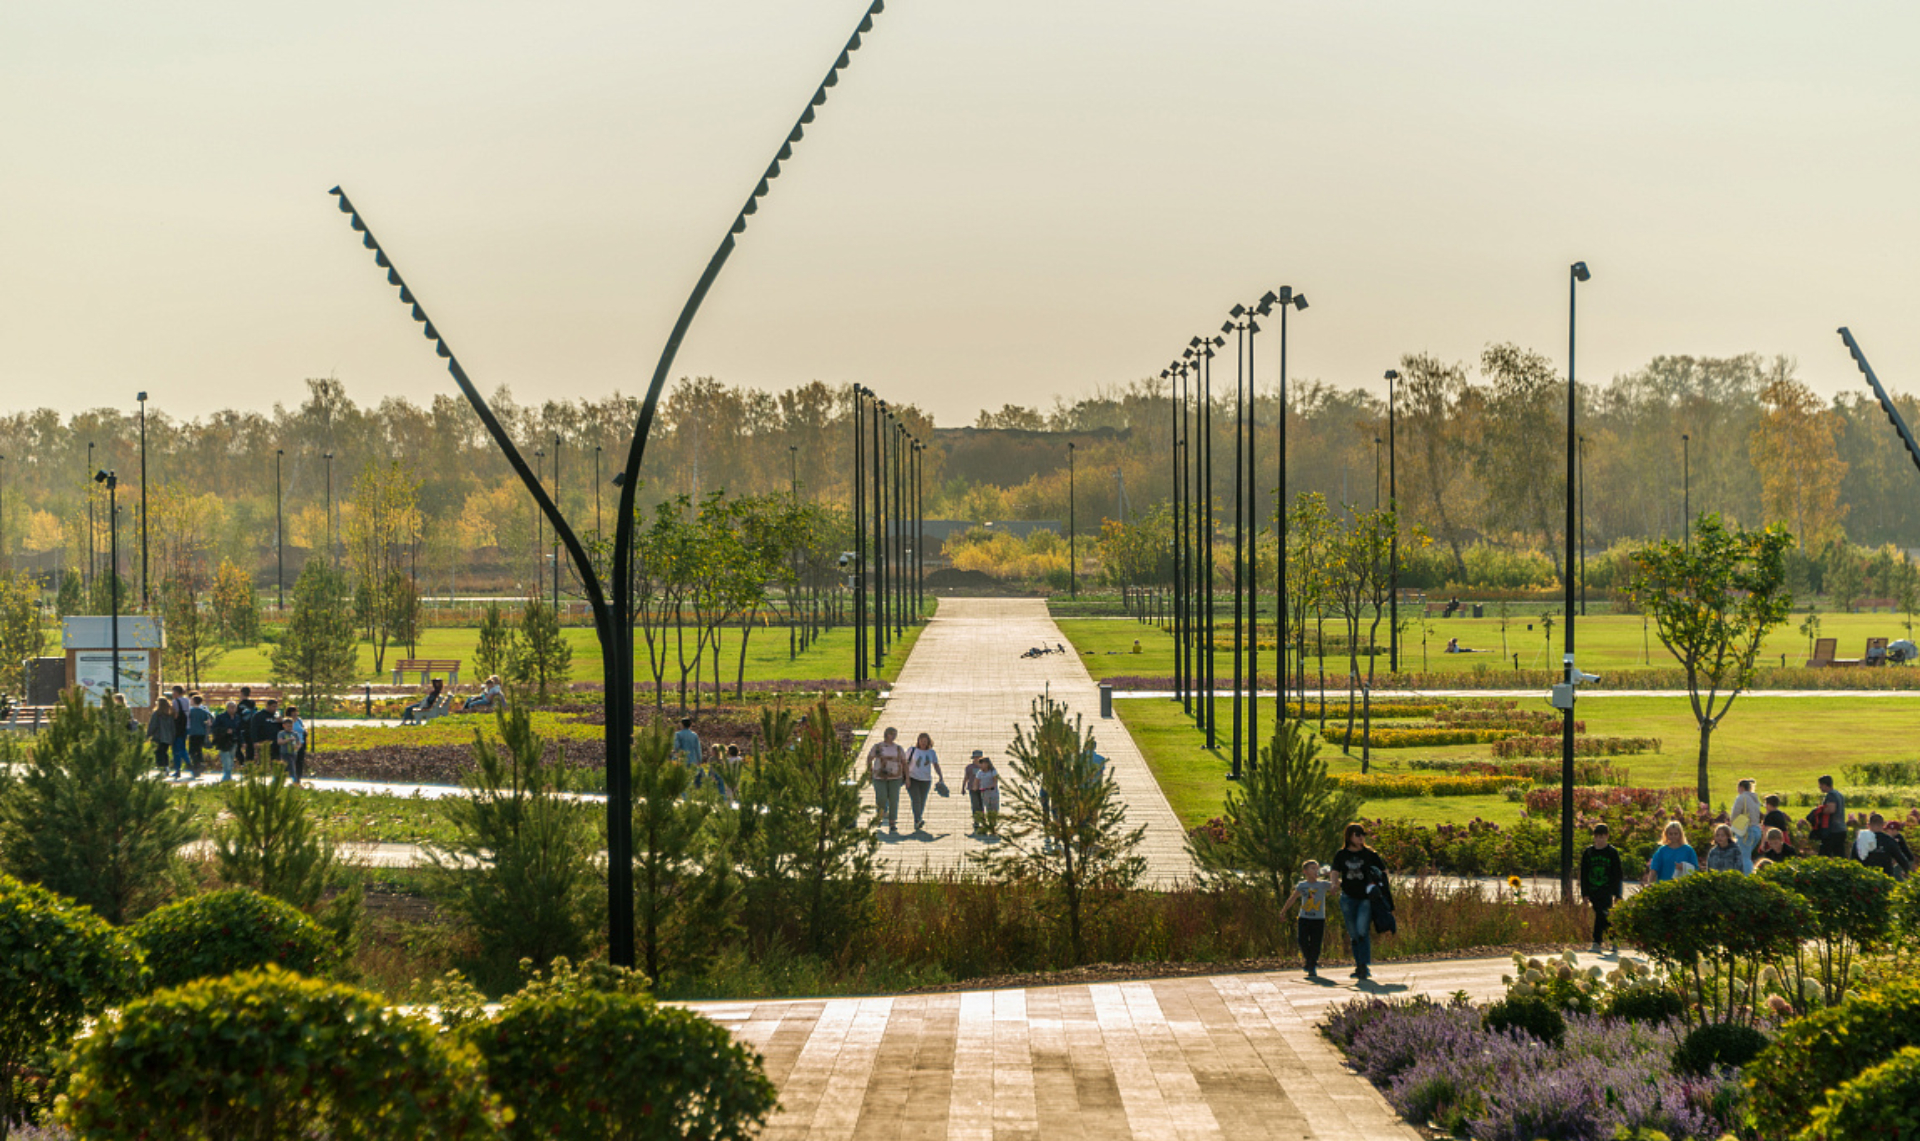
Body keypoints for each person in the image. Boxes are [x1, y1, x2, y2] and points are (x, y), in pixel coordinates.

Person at [1328, 823, 1387, 982]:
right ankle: (1359, 965)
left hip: (1366, 898)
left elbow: (1384, 871)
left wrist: (1377, 883)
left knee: (1362, 931)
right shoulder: (1341, 854)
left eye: (1363, 834)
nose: (1361, 837)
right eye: (1357, 834)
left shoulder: (1370, 854)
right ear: (1349, 837)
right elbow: (1335, 871)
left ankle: (1364, 965)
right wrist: (1334, 883)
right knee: (1353, 934)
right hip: (1347, 897)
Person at [1276, 859, 1334, 980]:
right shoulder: (1302, 885)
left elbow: (1338, 884)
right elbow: (1292, 898)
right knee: (1302, 941)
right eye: (1312, 868)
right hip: (1304, 917)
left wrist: (1332, 876)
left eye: (1317, 868)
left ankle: (1311, 966)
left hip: (1318, 919)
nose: (1315, 871)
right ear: (1305, 871)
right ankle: (1309, 960)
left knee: (1316, 943)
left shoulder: (1323, 884)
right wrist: (1283, 911)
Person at [1579, 823, 1625, 954]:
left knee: (1602, 913)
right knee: (1603, 915)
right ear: (1594, 837)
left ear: (1607, 836)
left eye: (1602, 836)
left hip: (1607, 889)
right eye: (1597, 837)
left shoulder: (1612, 852)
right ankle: (1613, 937)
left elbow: (1618, 874)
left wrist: (1618, 894)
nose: (1600, 839)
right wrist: (1585, 893)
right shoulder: (1588, 852)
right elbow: (1583, 874)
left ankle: (1597, 941)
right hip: (1593, 889)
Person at [865, 726, 909, 834]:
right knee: (881, 797)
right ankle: (879, 816)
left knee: (894, 799)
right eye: (891, 733)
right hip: (879, 776)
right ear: (886, 734)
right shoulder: (878, 747)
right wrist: (869, 770)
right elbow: (869, 758)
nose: (893, 736)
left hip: (895, 777)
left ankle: (892, 822)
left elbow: (904, 762)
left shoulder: (898, 748)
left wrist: (907, 778)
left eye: (895, 734)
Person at [904, 732, 944, 834]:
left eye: (925, 741)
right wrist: (907, 778)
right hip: (913, 778)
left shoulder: (931, 752)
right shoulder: (912, 750)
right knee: (916, 799)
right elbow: (904, 763)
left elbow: (935, 764)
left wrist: (940, 776)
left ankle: (918, 818)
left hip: (926, 780)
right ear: (918, 741)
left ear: (928, 742)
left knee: (922, 800)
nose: (923, 743)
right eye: (921, 741)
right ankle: (917, 819)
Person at [1857, 812, 1913, 877]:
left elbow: (1853, 860)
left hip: (1865, 878)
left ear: (1868, 825)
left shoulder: (1860, 840)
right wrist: (1907, 871)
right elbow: (1900, 858)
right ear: (1883, 825)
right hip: (1885, 879)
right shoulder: (1889, 841)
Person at [1810, 776, 1849, 857]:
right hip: (1841, 828)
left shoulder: (1831, 795)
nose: (1819, 787)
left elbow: (1831, 809)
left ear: (1825, 785)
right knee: (1839, 853)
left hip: (1833, 829)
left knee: (1824, 853)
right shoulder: (1838, 794)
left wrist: (1819, 811)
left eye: (1820, 785)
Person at [968, 753, 1001, 835]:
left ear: (986, 764)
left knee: (994, 809)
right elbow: (976, 781)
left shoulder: (993, 771)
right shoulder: (980, 773)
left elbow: (995, 780)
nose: (980, 766)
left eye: (982, 764)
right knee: (988, 808)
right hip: (985, 794)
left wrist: (992, 785)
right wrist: (975, 787)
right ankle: (988, 824)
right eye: (980, 764)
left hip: (993, 793)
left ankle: (993, 824)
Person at [1731, 779, 1764, 861]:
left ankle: (1746, 873)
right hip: (1756, 830)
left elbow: (1734, 814)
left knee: (1743, 857)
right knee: (1747, 855)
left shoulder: (1741, 798)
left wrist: (1733, 825)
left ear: (1741, 787)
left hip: (1746, 831)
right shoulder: (1755, 799)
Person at [210, 700, 240, 782]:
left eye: (234, 707)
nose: (232, 709)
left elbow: (239, 730)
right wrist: (225, 730)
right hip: (223, 742)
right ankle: (227, 776)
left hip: (233, 741)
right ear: (227, 708)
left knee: (231, 759)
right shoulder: (220, 717)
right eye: (231, 707)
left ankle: (228, 775)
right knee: (226, 759)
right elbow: (214, 729)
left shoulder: (237, 718)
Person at [184, 693, 211, 779]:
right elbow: (209, 722)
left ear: (193, 701)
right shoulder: (204, 711)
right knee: (199, 749)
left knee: (192, 751)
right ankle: (200, 764)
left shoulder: (190, 711)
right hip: (201, 733)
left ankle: (196, 765)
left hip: (193, 732)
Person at [962, 749, 990, 834]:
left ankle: (983, 820)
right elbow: (966, 777)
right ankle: (976, 821)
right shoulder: (969, 767)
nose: (977, 759)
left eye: (979, 757)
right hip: (972, 788)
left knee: (982, 805)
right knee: (975, 805)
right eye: (975, 757)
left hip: (982, 789)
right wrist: (963, 787)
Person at [145, 701, 176, 773]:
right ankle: (166, 766)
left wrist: (148, 735)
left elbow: (152, 725)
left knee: (158, 753)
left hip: (158, 736)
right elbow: (172, 727)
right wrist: (173, 737)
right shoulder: (169, 715)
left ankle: (161, 767)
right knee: (164, 752)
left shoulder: (156, 714)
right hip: (167, 737)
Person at [168, 685, 191, 773]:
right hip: (186, 725)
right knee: (182, 746)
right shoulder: (187, 700)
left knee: (177, 748)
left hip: (178, 727)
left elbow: (175, 714)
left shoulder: (175, 702)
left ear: (176, 692)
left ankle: (183, 766)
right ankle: (187, 764)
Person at [672, 718, 702, 784]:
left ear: (682, 724)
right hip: (692, 760)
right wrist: (699, 760)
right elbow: (698, 749)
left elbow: (676, 747)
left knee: (682, 780)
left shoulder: (678, 734)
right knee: (691, 779)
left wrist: (672, 756)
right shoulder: (694, 735)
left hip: (682, 760)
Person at [253, 698, 282, 763]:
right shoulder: (259, 715)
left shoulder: (276, 716)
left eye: (276, 707)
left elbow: (282, 729)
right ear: (268, 706)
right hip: (263, 742)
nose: (275, 708)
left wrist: (281, 722)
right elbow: (254, 729)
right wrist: (255, 741)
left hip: (275, 743)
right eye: (273, 706)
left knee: (275, 761)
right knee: (264, 761)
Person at [283, 705, 307, 783]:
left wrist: (305, 732)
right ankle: (283, 779)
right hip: (291, 744)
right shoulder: (286, 721)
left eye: (295, 712)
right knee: (290, 763)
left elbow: (302, 728)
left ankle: (297, 780)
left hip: (301, 744)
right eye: (292, 713)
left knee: (299, 763)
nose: (295, 714)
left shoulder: (299, 720)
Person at [235, 686, 258, 762]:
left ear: (241, 693)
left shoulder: (241, 705)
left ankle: (242, 762)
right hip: (252, 727)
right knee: (250, 748)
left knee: (237, 747)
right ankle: (249, 763)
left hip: (243, 728)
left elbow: (238, 717)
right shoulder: (253, 704)